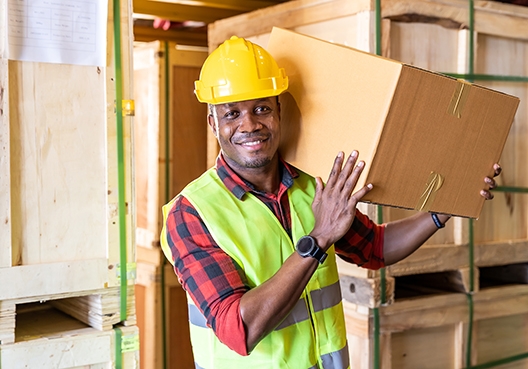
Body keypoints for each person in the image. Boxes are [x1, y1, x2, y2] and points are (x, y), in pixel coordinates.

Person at [160, 36, 500, 369]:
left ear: (279, 111)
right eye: (232, 114)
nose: (249, 124)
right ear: (213, 124)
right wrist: (319, 238)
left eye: (261, 108)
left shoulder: (312, 185)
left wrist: (440, 212)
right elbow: (240, 330)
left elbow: (376, 248)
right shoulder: (191, 213)